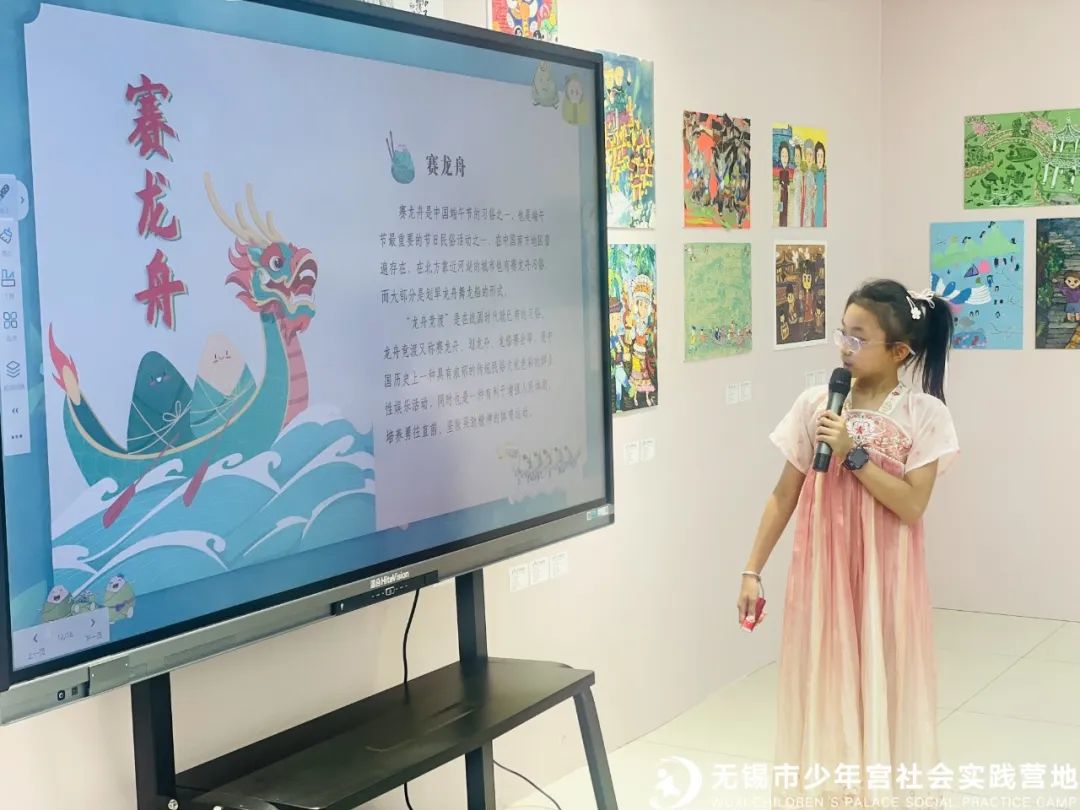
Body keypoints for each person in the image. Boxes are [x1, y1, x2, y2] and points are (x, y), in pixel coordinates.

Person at [737, 279, 959, 805]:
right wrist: (751, 569)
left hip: (886, 579)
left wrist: (852, 454)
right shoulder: (816, 404)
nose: (845, 348)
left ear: (899, 351)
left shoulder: (924, 414)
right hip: (824, 573)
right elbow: (784, 494)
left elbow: (911, 504)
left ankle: (881, 791)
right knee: (827, 679)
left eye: (859, 338)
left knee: (883, 680)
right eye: (842, 333)